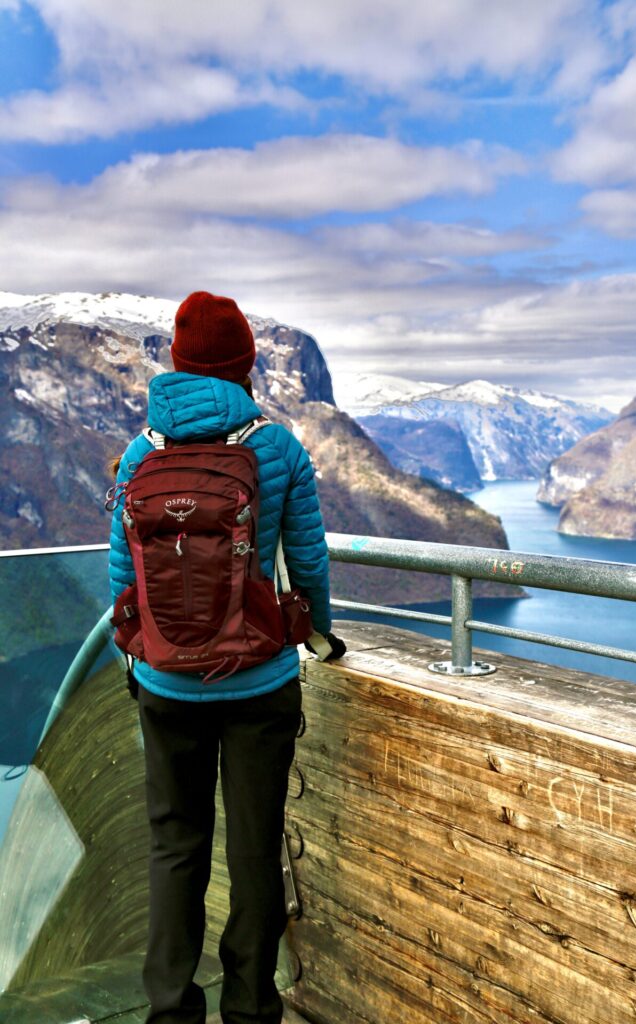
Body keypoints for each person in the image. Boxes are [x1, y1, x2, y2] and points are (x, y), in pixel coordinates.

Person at [108, 290, 346, 1024]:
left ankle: (171, 1009)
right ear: (245, 363)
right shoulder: (274, 447)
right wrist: (321, 634)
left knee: (175, 846)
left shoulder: (140, 450)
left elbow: (125, 574)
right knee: (252, 850)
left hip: (165, 681)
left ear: (177, 365)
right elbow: (306, 560)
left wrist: (134, 656)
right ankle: (249, 1008)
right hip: (258, 680)